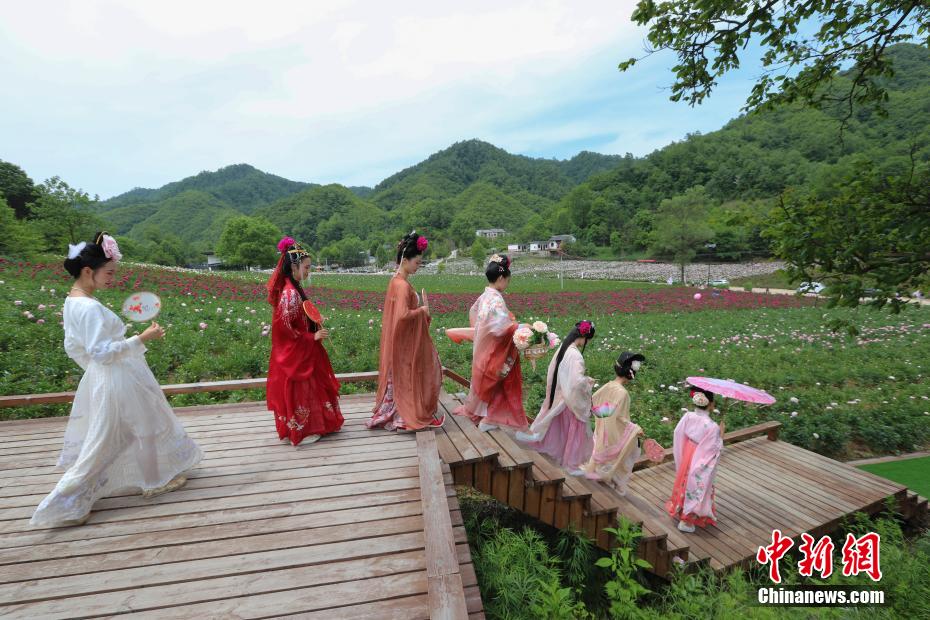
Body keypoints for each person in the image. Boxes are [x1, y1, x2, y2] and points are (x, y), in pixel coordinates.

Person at [31, 232, 202, 528]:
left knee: (140, 427)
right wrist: (141, 338)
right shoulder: (89, 307)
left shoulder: (74, 301)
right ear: (88, 271)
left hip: (110, 376)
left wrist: (94, 371)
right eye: (109, 273)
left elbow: (74, 346)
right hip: (116, 377)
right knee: (107, 439)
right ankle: (63, 504)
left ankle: (151, 480)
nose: (113, 278)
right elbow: (101, 352)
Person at [266, 236, 343, 445]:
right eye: (307, 267)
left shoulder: (293, 288)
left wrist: (314, 322)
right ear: (295, 266)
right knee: (303, 388)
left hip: (305, 347)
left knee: (310, 387)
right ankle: (304, 429)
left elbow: (297, 320)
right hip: (299, 350)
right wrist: (312, 336)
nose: (309, 271)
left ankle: (310, 426)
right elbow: (285, 331)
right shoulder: (290, 294)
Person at [367, 231, 444, 431]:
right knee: (410, 376)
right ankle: (405, 416)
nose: (418, 266)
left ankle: (398, 413)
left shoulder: (395, 281)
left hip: (400, 340)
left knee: (402, 378)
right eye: (417, 263)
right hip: (405, 342)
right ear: (405, 260)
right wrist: (422, 311)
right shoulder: (402, 285)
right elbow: (402, 315)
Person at [453, 255, 528, 432]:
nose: (507, 285)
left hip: (484, 349)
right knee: (503, 385)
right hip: (495, 351)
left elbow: (474, 312)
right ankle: (492, 418)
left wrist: (480, 334)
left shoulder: (485, 296)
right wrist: (521, 327)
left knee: (495, 387)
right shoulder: (495, 300)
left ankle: (491, 417)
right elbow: (501, 326)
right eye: (508, 281)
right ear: (501, 278)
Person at [515, 321, 596, 475]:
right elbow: (576, 383)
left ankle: (551, 451)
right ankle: (571, 465)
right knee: (573, 431)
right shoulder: (575, 355)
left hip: (560, 395)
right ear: (584, 337)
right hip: (568, 400)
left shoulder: (564, 348)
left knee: (556, 430)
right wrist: (588, 382)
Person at [581, 352, 645, 494]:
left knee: (599, 452)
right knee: (631, 445)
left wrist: (603, 417)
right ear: (631, 373)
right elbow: (619, 417)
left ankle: (597, 474)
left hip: (602, 428)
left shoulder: (609, 385)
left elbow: (594, 403)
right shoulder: (623, 393)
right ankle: (609, 478)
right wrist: (635, 428)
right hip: (611, 429)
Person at [665, 386, 724, 533]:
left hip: (688, 452)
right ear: (711, 404)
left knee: (685, 481)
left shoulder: (688, 416)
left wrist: (682, 452)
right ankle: (687, 521)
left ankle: (681, 508)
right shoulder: (712, 426)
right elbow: (713, 448)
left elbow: (678, 432)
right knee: (698, 483)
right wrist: (721, 435)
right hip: (701, 455)